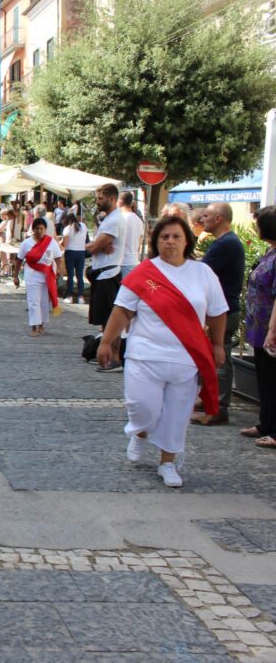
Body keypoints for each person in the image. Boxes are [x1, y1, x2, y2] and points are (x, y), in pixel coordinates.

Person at [97, 216, 227, 488]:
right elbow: (122, 310)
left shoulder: (203, 273)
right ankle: (140, 431)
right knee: (143, 407)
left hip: (185, 358)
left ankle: (167, 462)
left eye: (176, 236)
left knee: (176, 416)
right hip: (144, 355)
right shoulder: (144, 273)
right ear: (156, 242)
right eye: (164, 237)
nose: (170, 241)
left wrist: (216, 344)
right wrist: (106, 342)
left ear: (186, 240)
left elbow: (217, 313)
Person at [187, 202, 245, 426]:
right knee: (213, 358)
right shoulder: (225, 242)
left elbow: (201, 271)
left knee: (220, 359)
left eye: (208, 215)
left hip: (224, 310)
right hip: (222, 308)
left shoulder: (226, 244)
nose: (203, 219)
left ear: (219, 218)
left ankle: (219, 407)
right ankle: (209, 400)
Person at [242, 206, 276, 449]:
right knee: (264, 378)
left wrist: (273, 331)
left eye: (258, 223)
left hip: (270, 328)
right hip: (258, 327)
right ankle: (265, 424)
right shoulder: (270, 252)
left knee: (273, 380)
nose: (255, 227)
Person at [86, 184, 127, 371]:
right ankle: (107, 355)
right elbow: (96, 245)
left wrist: (96, 245)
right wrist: (99, 244)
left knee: (111, 317)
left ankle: (115, 358)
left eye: (100, 198)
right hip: (103, 273)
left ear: (111, 198)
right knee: (104, 318)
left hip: (108, 274)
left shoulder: (114, 220)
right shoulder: (108, 219)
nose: (97, 201)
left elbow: (92, 248)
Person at [15, 217, 64, 336]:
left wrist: (60, 268)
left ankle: (41, 324)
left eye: (42, 228)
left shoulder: (51, 241)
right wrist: (15, 276)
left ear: (45, 229)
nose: (39, 231)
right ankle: (34, 327)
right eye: (37, 229)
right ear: (33, 229)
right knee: (33, 301)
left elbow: (58, 257)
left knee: (43, 302)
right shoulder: (26, 243)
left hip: (47, 275)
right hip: (32, 274)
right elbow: (19, 260)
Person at [60, 213, 88, 304]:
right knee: (80, 275)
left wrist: (61, 243)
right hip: (81, 252)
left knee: (70, 275)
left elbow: (65, 244)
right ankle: (81, 297)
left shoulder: (67, 229)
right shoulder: (83, 226)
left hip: (70, 252)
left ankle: (70, 296)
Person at [119, 191, 144, 278]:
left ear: (121, 201)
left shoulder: (121, 219)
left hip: (123, 263)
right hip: (134, 262)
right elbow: (140, 240)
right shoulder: (139, 220)